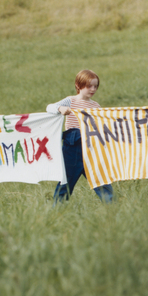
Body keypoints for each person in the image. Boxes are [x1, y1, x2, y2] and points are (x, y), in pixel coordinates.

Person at [47, 69, 114, 204]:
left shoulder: (96, 106)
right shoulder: (70, 101)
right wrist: (60, 109)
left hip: (92, 146)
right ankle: (56, 210)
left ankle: (112, 208)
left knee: (101, 179)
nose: (93, 89)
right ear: (78, 85)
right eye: (89, 86)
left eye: (95, 86)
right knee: (65, 181)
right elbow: (50, 107)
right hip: (72, 147)